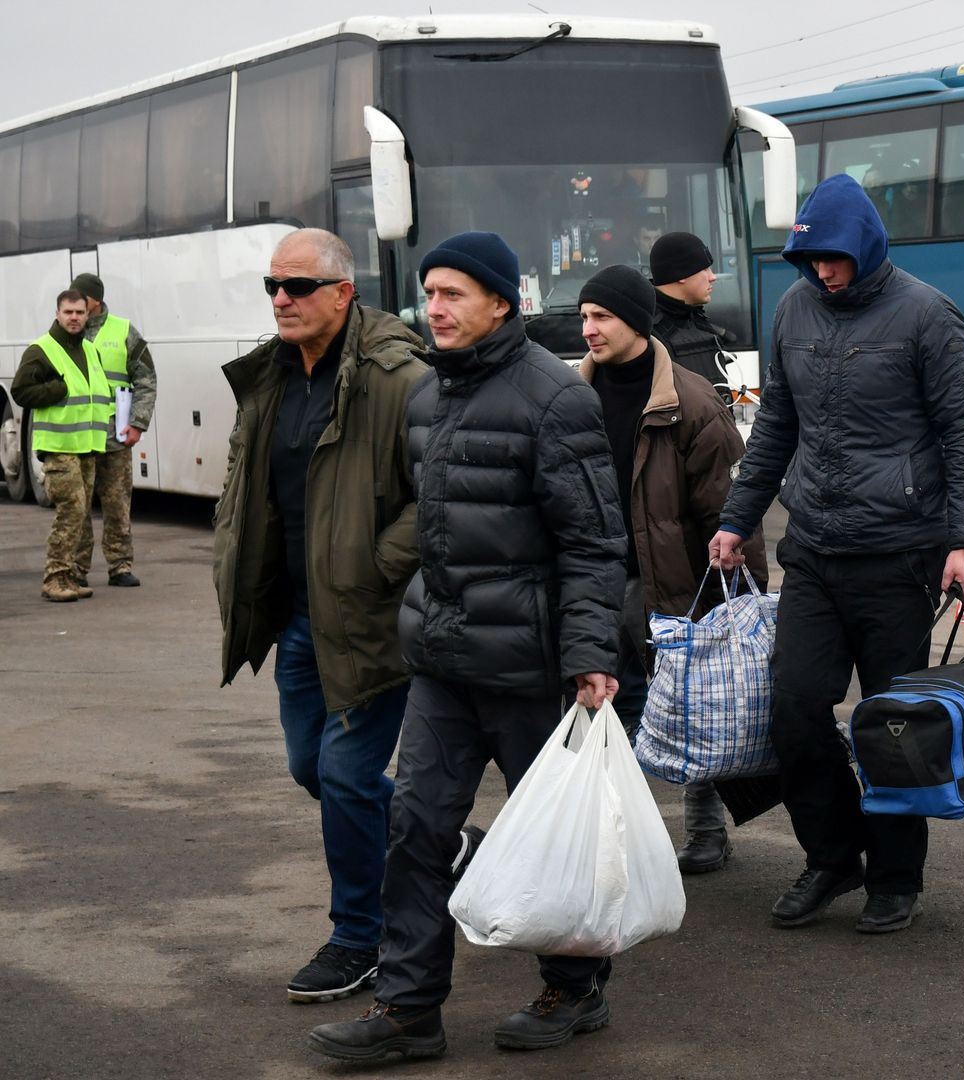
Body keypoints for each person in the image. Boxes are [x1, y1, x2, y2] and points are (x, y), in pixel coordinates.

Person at [308, 231, 626, 1062]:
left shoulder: (557, 400)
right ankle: (409, 1010)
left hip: (530, 666)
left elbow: (593, 543)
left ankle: (574, 987)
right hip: (444, 663)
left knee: (548, 837)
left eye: (453, 294)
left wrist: (592, 656)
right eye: (429, 293)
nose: (435, 309)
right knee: (416, 830)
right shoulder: (427, 396)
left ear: (501, 303)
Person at [708, 173, 964, 936]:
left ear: (864, 248)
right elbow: (775, 426)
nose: (822, 273)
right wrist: (739, 518)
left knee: (890, 723)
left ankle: (896, 876)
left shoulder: (929, 315)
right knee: (794, 710)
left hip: (898, 557)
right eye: (811, 262)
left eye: (834, 259)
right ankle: (832, 857)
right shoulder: (796, 309)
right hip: (816, 551)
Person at [212, 229, 428, 1005]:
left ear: (343, 293)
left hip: (370, 618)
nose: (280, 299)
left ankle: (358, 937)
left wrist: (376, 561)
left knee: (343, 772)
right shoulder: (270, 375)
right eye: (272, 284)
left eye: (297, 286)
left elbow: (435, 490)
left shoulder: (397, 376)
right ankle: (439, 839)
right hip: (300, 618)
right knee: (314, 768)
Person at [574, 262, 769, 875]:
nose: (588, 330)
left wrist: (744, 593)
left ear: (634, 319)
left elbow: (730, 507)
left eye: (600, 316)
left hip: (671, 585)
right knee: (602, 712)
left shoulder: (689, 399)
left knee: (691, 706)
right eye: (584, 317)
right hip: (593, 583)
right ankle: (616, 835)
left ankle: (706, 830)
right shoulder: (572, 397)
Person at [10, 290, 113, 602]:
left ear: (87, 315)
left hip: (86, 446)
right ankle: (54, 577)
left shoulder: (89, 349)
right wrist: (55, 390)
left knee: (81, 513)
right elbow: (21, 391)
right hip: (58, 445)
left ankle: (69, 576)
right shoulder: (42, 350)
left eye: (79, 313)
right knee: (72, 508)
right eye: (68, 312)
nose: (74, 318)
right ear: (58, 313)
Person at [70, 272, 155, 588]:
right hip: (78, 435)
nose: (76, 303)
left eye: (81, 297)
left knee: (117, 503)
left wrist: (138, 423)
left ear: (95, 299)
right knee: (78, 507)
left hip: (115, 435)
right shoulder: (66, 333)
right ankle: (77, 569)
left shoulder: (123, 331)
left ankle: (119, 566)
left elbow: (146, 379)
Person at [649, 231, 734, 392]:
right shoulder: (646, 337)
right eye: (705, 269)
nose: (713, 277)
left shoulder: (700, 324)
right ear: (681, 273)